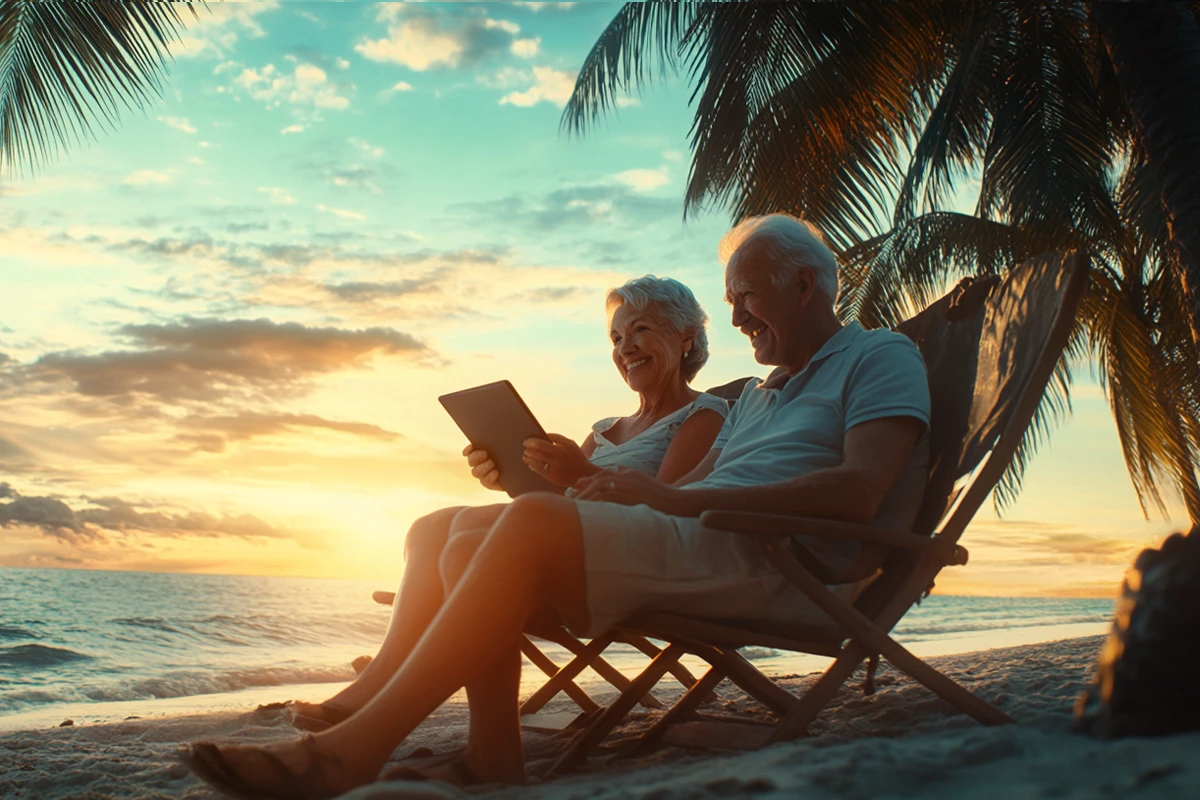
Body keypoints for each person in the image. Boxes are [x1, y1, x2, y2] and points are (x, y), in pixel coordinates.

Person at [181, 214, 931, 799]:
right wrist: (643, 493)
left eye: (747, 297)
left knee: (526, 521)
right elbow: (688, 489)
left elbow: (858, 490)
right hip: (719, 543)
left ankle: (352, 750)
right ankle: (491, 756)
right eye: (732, 300)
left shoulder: (878, 356)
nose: (736, 317)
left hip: (787, 564)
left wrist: (664, 495)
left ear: (806, 286)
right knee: (469, 524)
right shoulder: (760, 396)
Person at [286, 275, 728, 732]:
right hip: (570, 546)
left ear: (685, 336)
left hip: (629, 565)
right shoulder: (604, 429)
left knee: (462, 543)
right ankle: (383, 678)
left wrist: (578, 474)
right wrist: (514, 477)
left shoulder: (705, 413)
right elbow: (562, 504)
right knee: (431, 526)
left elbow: (668, 509)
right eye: (616, 337)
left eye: (641, 330)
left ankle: (383, 692)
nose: (625, 347)